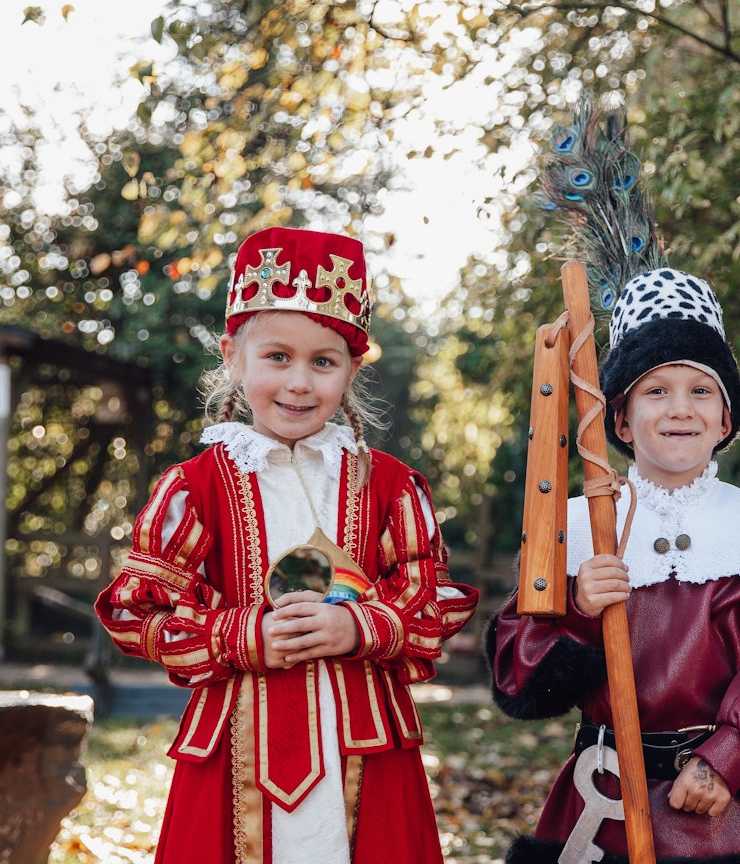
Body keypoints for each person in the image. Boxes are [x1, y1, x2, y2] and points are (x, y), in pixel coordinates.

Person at [488, 99, 740, 864]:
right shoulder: (580, 526)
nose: (678, 409)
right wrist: (580, 608)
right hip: (602, 807)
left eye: (699, 391)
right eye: (654, 391)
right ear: (619, 421)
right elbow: (522, 663)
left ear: (727, 419)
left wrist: (730, 757)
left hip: (722, 808)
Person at [96, 227, 478, 864]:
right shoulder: (195, 488)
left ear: (351, 370)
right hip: (234, 760)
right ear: (233, 356)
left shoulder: (389, 486)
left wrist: (360, 627)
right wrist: (243, 637)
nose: (299, 382)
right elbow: (138, 609)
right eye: (277, 357)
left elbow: (430, 598)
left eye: (323, 362)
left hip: (368, 753)